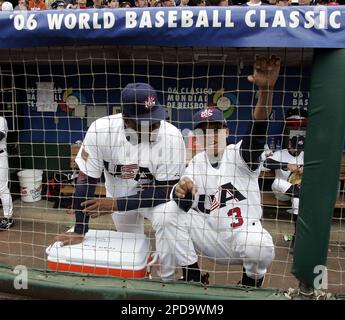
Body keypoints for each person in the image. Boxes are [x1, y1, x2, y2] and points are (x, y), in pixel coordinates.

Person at [154, 56, 280, 287]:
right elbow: (183, 204)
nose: (210, 135)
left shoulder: (240, 155)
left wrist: (266, 91)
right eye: (203, 131)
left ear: (226, 132)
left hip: (241, 236)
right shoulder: (196, 163)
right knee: (165, 212)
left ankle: (250, 283)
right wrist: (181, 191)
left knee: (259, 245)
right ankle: (193, 276)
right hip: (209, 236)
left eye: (215, 129)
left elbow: (257, 131)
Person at [55, 83, 186, 282]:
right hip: (119, 195)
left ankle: (168, 282)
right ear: (126, 119)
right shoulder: (101, 130)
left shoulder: (171, 136)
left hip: (152, 201)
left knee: (168, 218)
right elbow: (85, 180)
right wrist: (80, 228)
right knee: (131, 250)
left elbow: (165, 190)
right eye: (146, 122)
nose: (154, 127)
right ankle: (136, 279)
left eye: (156, 120)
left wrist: (115, 204)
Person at [263, 135, 305, 251]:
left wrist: (305, 168)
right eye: (296, 147)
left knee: (297, 200)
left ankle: (296, 240)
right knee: (277, 182)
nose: (298, 150)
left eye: (300, 148)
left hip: (296, 191)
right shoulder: (280, 153)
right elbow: (266, 163)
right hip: (282, 192)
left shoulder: (305, 155)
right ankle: (301, 194)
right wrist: (286, 165)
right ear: (290, 144)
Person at [0, 117, 14, 231]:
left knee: (2, 189)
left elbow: (0, 135)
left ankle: (8, 218)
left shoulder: (1, 120)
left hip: (0, 156)